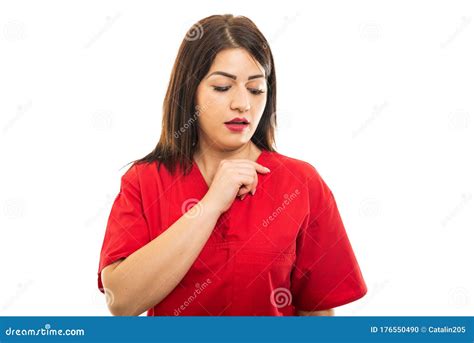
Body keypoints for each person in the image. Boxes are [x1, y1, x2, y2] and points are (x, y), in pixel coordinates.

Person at [97, 14, 367, 316]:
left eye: (255, 89)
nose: (242, 103)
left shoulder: (301, 182)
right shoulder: (145, 180)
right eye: (223, 87)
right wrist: (211, 203)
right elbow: (121, 302)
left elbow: (318, 314)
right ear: (190, 91)